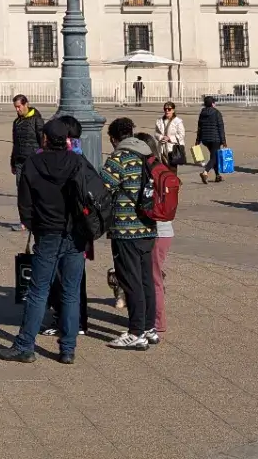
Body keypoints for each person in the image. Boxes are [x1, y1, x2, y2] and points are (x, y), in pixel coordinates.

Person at [0, 115, 92, 365]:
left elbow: (24, 204)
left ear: (46, 138)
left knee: (39, 292)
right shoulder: (77, 162)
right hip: (75, 234)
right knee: (71, 293)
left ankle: (26, 345)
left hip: (47, 232)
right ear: (67, 140)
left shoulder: (32, 163)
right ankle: (68, 349)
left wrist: (33, 224)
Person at [101, 118, 156, 351]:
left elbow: (102, 190)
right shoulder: (147, 154)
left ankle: (135, 332)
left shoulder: (118, 158)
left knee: (130, 281)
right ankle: (149, 327)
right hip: (148, 227)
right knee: (146, 279)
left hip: (125, 230)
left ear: (114, 138)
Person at [141, 133, 176, 340]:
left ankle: (157, 321)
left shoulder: (148, 171)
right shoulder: (161, 167)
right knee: (154, 275)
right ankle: (152, 318)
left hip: (156, 230)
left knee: (154, 278)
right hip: (166, 229)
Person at [9, 94, 43, 177]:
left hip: (33, 161)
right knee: (20, 187)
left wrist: (39, 157)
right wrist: (13, 163)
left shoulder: (37, 120)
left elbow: (43, 141)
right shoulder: (16, 122)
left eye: (19, 106)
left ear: (26, 104)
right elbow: (15, 144)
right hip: (19, 161)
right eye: (15, 107)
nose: (17, 110)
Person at [195, 95, 226, 184]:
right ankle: (205, 172)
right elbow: (221, 127)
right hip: (216, 139)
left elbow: (199, 128)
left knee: (214, 156)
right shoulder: (217, 113)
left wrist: (198, 140)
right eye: (214, 102)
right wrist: (223, 141)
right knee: (214, 157)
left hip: (205, 139)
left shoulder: (202, 113)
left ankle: (217, 175)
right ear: (212, 104)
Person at [154, 101, 187, 167]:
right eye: (165, 109)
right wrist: (161, 137)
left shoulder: (178, 121)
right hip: (162, 149)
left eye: (169, 109)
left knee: (172, 171)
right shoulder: (159, 121)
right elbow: (156, 133)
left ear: (173, 110)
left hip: (173, 149)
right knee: (163, 171)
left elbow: (182, 135)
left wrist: (170, 138)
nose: (167, 111)